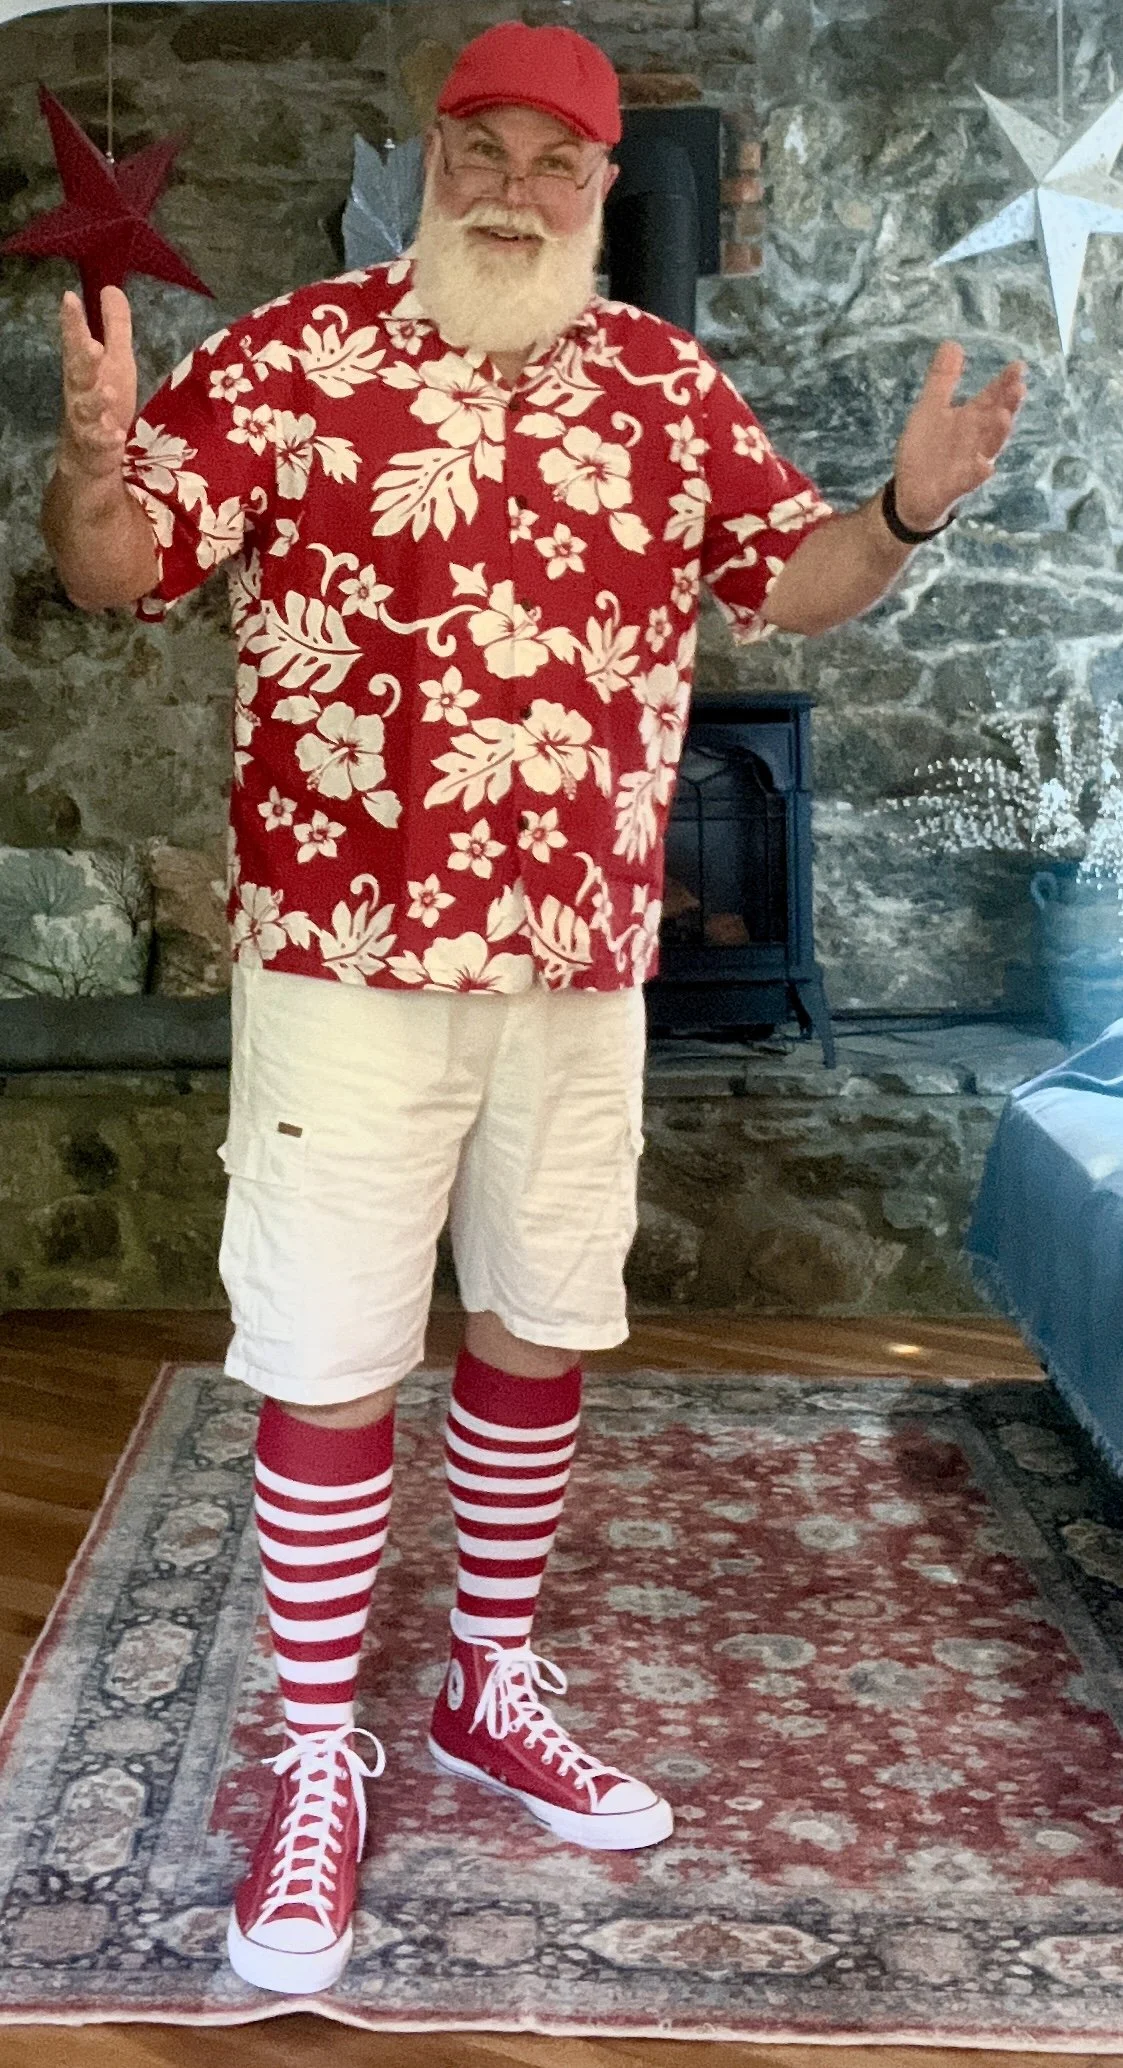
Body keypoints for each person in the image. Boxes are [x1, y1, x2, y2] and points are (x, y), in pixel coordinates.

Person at [41, 18, 1027, 1997]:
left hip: (577, 966)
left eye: (554, 161)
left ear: (601, 186)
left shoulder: (665, 390)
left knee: (539, 1318)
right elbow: (115, 570)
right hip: (343, 960)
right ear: (432, 160)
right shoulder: (303, 357)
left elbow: (794, 574)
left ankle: (493, 1682)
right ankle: (317, 1756)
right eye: (479, 149)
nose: (513, 185)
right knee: (327, 1353)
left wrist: (907, 511)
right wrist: (84, 464)